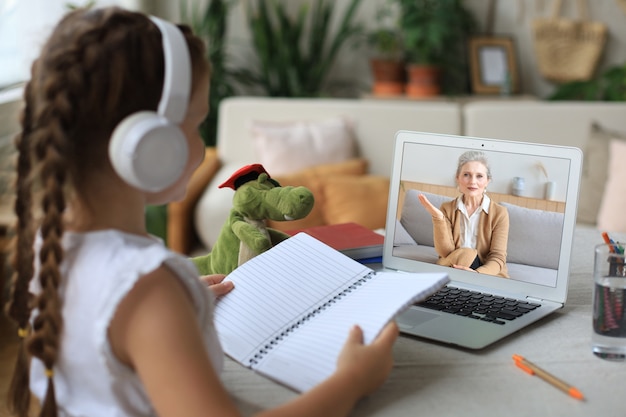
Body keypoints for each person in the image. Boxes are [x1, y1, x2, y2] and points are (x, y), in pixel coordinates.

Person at [4, 7, 398, 417]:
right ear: (151, 144)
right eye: (195, 126)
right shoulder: (149, 292)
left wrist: (175, 318)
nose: (200, 143)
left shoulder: (50, 244)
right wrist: (353, 380)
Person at [418, 151, 509, 278]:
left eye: (479, 176)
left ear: (487, 181)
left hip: (486, 274)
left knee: (467, 254)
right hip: (453, 266)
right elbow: (446, 253)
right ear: (458, 178)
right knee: (465, 254)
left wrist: (477, 274)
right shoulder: (447, 208)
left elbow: (498, 257)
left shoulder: (500, 213)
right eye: (466, 175)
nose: (472, 181)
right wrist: (438, 219)